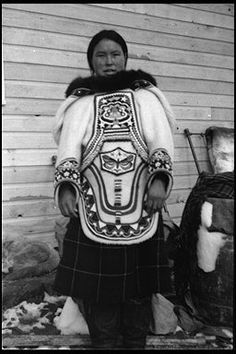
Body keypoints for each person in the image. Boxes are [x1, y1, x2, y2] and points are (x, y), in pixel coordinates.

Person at [52, 29, 177, 349]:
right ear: (91, 61)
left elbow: (161, 142)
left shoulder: (147, 97)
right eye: (101, 55)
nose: (109, 61)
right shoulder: (80, 102)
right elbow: (69, 149)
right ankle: (105, 343)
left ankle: (135, 343)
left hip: (143, 206)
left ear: (125, 57)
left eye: (115, 54)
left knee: (138, 290)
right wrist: (66, 186)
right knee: (99, 293)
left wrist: (160, 180)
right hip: (92, 206)